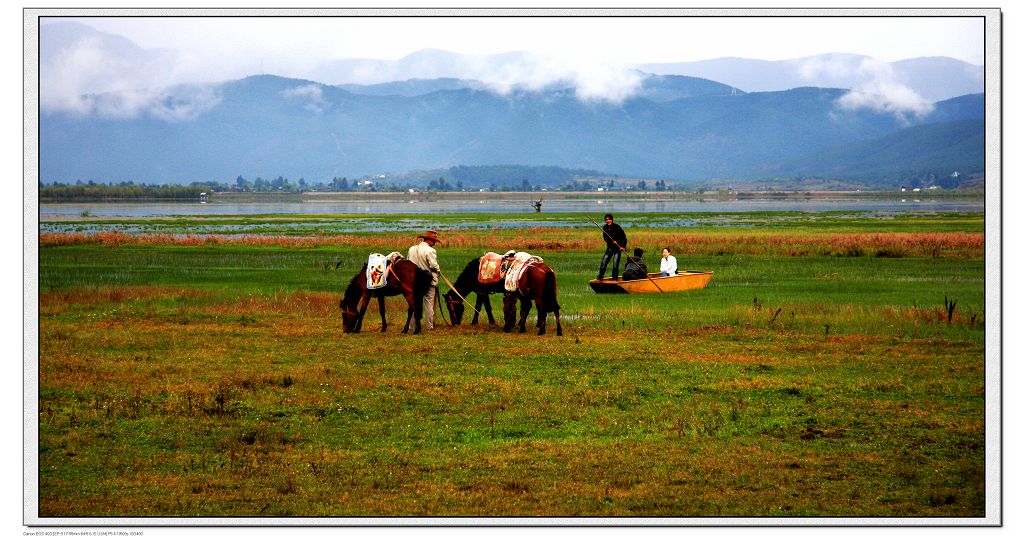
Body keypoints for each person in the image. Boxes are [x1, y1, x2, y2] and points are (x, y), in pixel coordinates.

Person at [408, 230, 442, 330]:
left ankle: (412, 325)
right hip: (428, 280)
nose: (435, 243)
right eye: (434, 240)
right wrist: (438, 270)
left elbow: (408, 264)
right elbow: (433, 265)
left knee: (414, 302)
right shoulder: (430, 251)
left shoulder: (411, 249)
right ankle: (429, 326)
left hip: (414, 280)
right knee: (429, 303)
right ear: (429, 240)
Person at [597, 213, 627, 281]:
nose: (607, 221)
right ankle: (600, 277)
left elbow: (624, 238)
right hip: (610, 248)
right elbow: (605, 238)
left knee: (615, 264)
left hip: (618, 248)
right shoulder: (605, 227)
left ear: (612, 220)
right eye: (606, 220)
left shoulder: (617, 227)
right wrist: (611, 242)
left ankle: (615, 278)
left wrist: (622, 246)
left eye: (609, 219)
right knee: (604, 262)